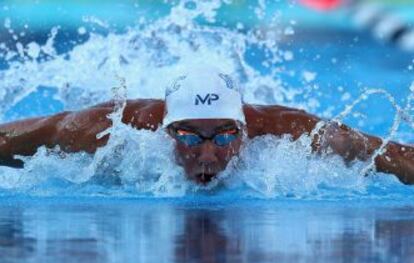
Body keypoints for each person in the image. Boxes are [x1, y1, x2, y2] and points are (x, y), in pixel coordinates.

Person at [0, 67, 413, 185]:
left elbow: (390, 155)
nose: (208, 153)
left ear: (243, 129)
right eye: (189, 136)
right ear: (166, 130)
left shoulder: (285, 131)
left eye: (225, 135)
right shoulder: (109, 130)